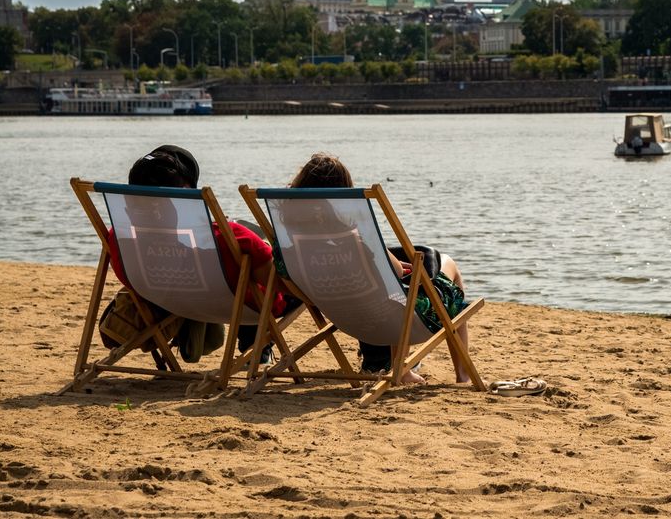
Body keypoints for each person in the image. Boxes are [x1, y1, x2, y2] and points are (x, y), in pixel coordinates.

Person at [286, 152, 472, 384]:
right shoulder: (351, 233)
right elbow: (393, 272)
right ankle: (461, 375)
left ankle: (402, 368)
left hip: (341, 315)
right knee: (447, 266)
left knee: (394, 290)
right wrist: (399, 266)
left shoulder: (288, 234)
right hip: (386, 318)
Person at [107, 145, 284, 363]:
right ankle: (255, 347)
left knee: (243, 276)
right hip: (231, 306)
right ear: (186, 190)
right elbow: (279, 283)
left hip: (161, 298)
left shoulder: (119, 237)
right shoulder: (230, 238)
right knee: (260, 282)